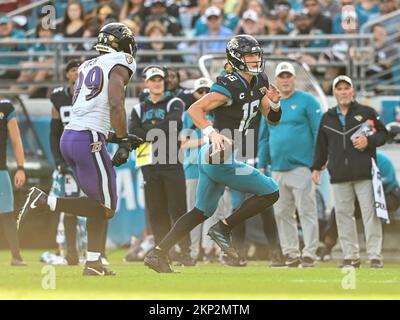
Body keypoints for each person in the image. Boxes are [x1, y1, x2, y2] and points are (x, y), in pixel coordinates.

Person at [144, 34, 282, 273]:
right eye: (249, 55)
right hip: (217, 154)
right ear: (237, 58)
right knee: (271, 191)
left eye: (256, 54)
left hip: (222, 156)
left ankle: (157, 254)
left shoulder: (260, 80)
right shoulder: (229, 84)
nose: (254, 59)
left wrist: (275, 104)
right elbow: (195, 108)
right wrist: (211, 132)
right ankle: (223, 228)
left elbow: (273, 121)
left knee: (200, 212)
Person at [18, 23, 143, 276]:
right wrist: (121, 140)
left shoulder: (86, 65)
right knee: (106, 207)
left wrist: (119, 137)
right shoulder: (122, 61)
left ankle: (94, 263)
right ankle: (45, 201)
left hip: (72, 137)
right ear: (122, 44)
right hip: (89, 139)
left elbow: (87, 108)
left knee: (94, 202)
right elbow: (116, 103)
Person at [312, 75, 389, 268]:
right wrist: (316, 167)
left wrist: (368, 141)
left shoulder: (367, 112)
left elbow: (383, 134)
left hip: (364, 174)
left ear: (352, 91)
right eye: (340, 89)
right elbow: (321, 146)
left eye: (347, 88)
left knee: (370, 214)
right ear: (334, 93)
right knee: (343, 216)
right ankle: (351, 257)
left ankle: (374, 256)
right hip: (338, 176)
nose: (343, 92)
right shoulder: (327, 117)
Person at [258, 62, 322, 267]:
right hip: (277, 168)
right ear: (276, 80)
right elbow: (264, 138)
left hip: (302, 166)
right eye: (281, 76)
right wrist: (261, 164)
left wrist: (318, 163)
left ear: (294, 78)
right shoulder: (269, 103)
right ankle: (291, 252)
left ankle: (310, 252)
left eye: (288, 76)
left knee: (306, 211)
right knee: (282, 213)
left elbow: (318, 133)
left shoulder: (307, 101)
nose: (285, 80)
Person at [129, 65, 193, 266]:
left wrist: (147, 132)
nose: (157, 83)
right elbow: (133, 134)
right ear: (146, 83)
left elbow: (171, 127)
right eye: (153, 80)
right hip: (148, 164)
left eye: (160, 79)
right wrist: (155, 132)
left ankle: (185, 251)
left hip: (171, 162)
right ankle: (161, 253)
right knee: (156, 211)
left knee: (178, 209)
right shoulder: (138, 108)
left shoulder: (175, 102)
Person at [318, 150, 400, 262]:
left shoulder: (383, 160)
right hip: (363, 195)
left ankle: (375, 250)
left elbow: (383, 184)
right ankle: (328, 246)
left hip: (388, 193)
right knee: (339, 210)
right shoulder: (353, 163)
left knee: (377, 209)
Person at [0, 99, 26, 266]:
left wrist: (20, 167)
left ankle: (16, 256)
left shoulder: (5, 107)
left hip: (0, 170)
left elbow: (16, 139)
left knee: (7, 214)